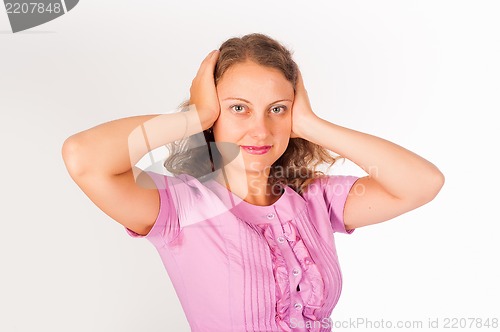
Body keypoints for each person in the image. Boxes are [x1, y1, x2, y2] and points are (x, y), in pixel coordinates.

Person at [61, 33, 444, 332]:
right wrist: (194, 117)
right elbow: (84, 157)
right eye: (238, 108)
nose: (260, 129)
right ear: (214, 116)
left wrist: (312, 125)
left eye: (277, 109)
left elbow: (422, 183)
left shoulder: (314, 199)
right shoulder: (180, 207)